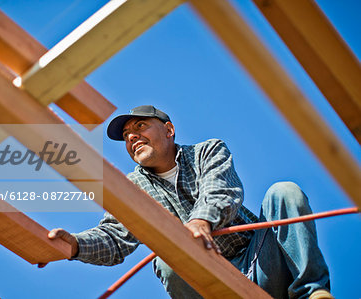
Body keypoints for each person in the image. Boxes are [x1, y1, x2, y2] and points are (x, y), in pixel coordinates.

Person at [48, 105, 333, 299]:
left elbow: (221, 190)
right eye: (126, 135)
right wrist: (75, 244)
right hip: (211, 285)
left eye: (141, 126)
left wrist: (201, 220)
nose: (132, 136)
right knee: (169, 260)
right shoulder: (133, 188)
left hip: (261, 262)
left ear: (169, 130)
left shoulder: (207, 151)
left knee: (284, 192)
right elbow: (115, 236)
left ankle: (312, 293)